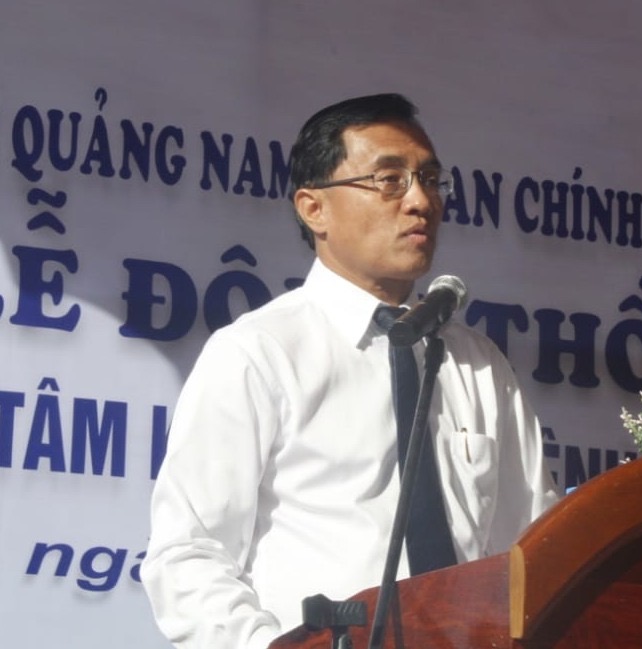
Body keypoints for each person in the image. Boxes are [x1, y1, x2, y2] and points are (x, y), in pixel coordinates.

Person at [140, 93, 559, 649]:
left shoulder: (479, 364)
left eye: (430, 179)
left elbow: (531, 553)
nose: (421, 202)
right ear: (314, 208)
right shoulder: (260, 352)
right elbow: (190, 553)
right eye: (389, 180)